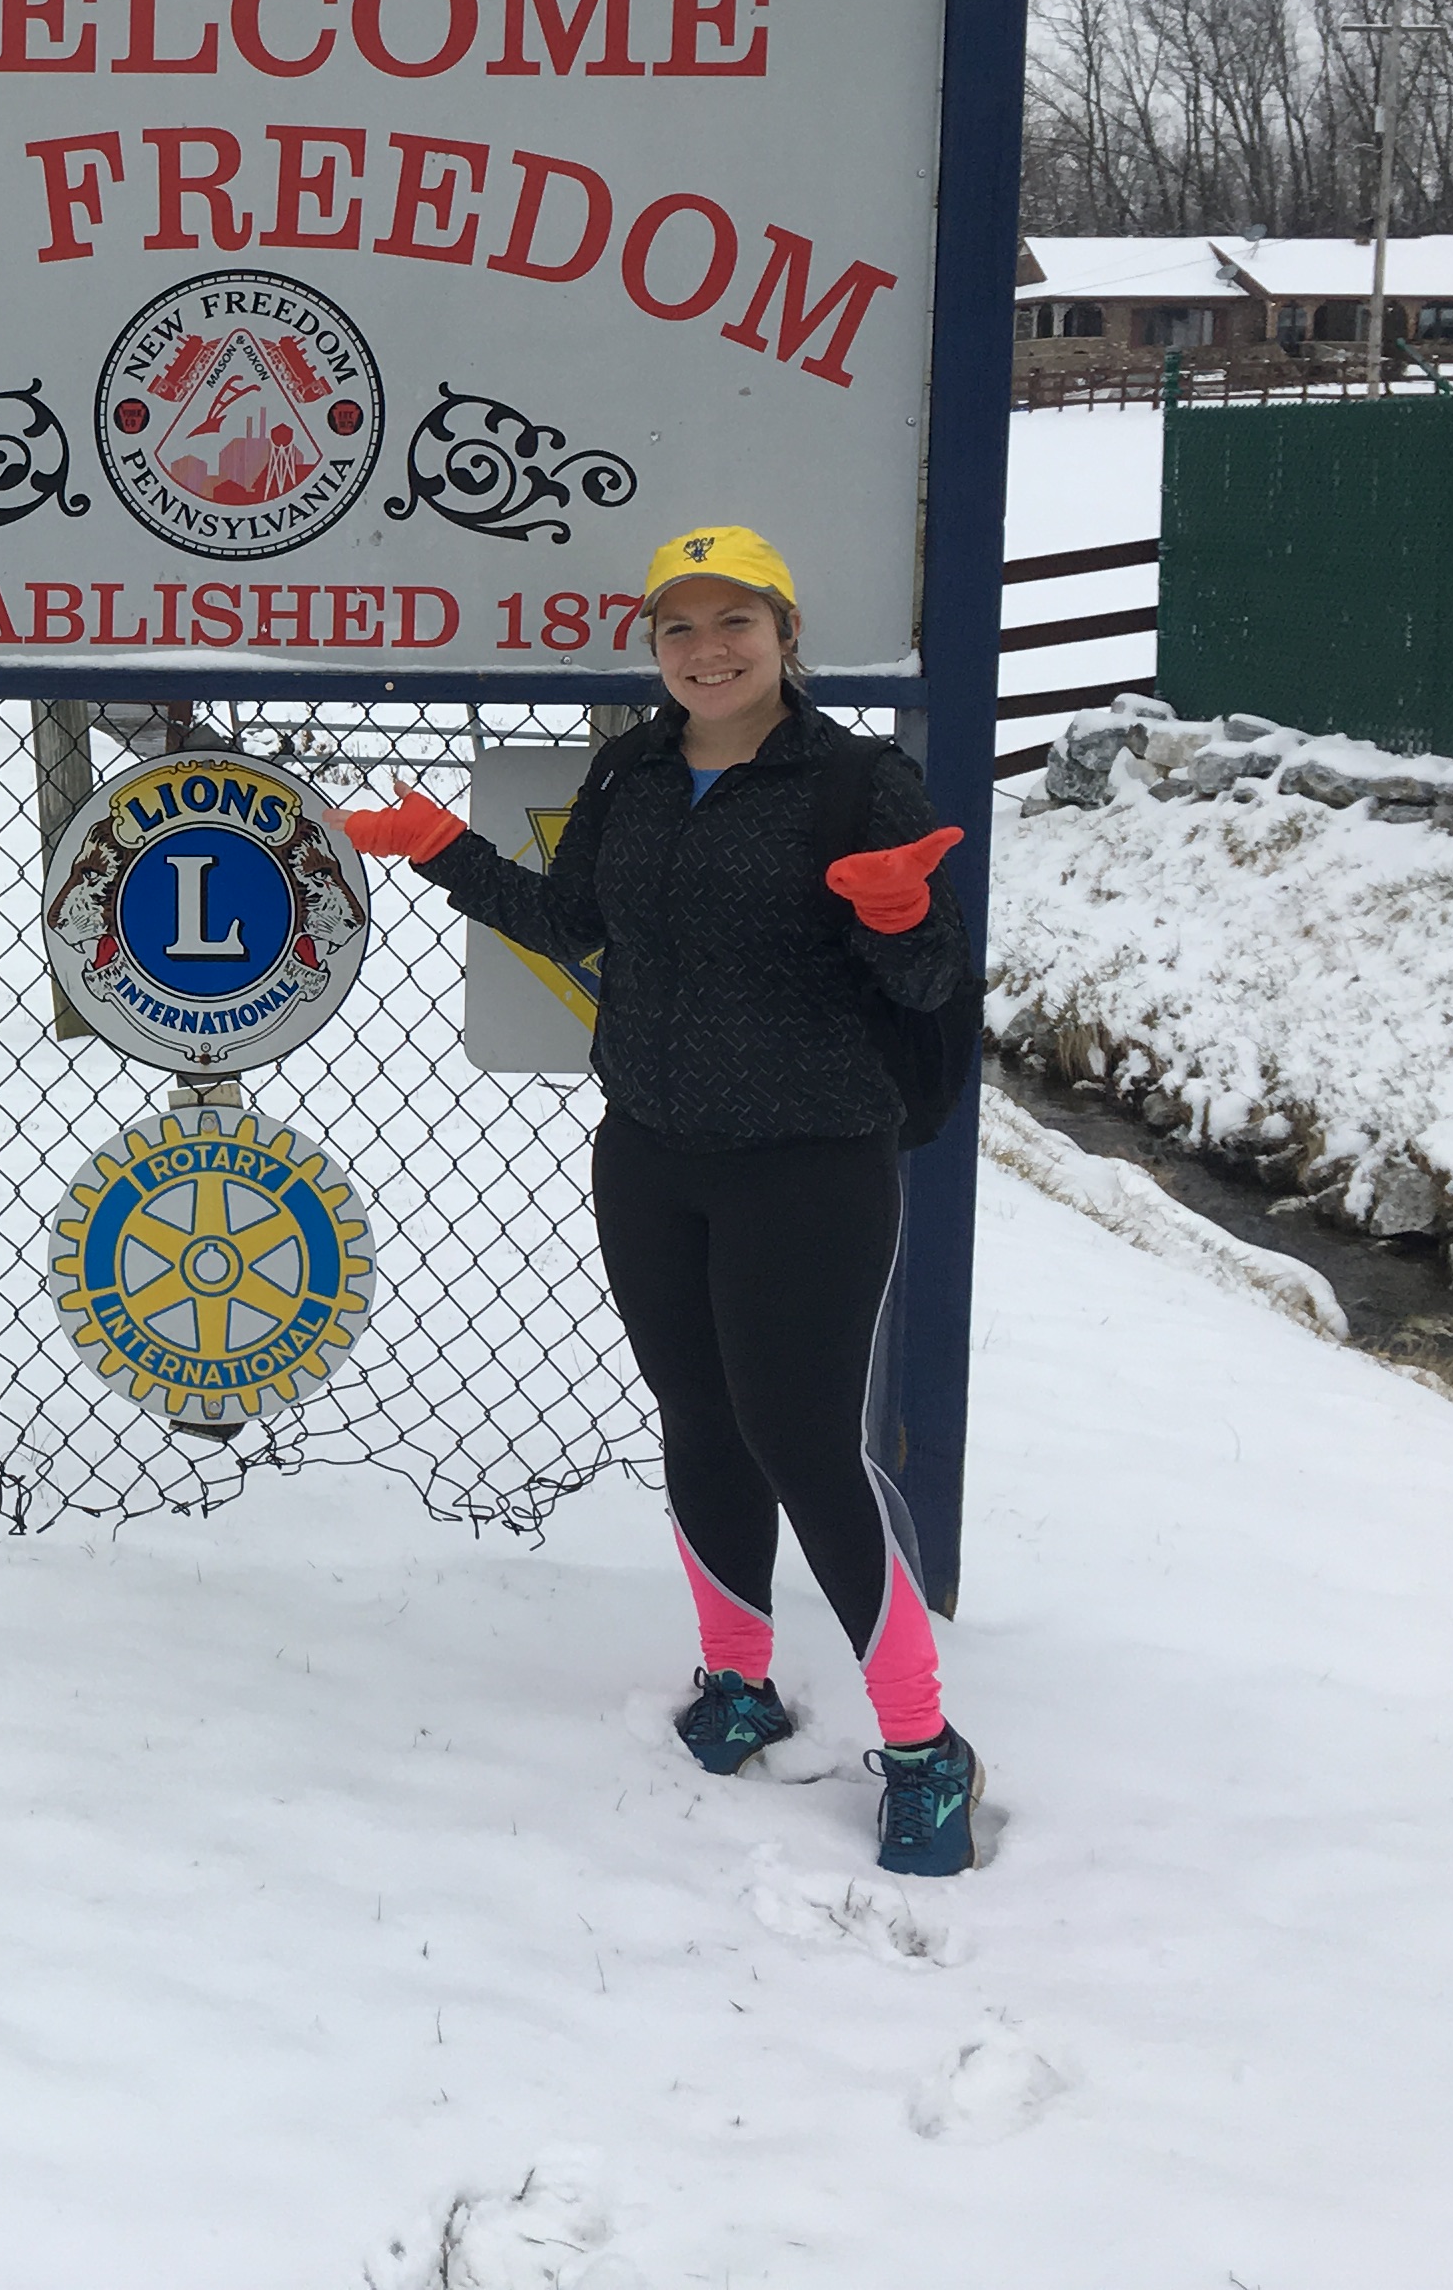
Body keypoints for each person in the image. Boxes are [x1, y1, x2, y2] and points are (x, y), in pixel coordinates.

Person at [341, 527, 985, 1877]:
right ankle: (737, 1677)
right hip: (650, 1150)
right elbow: (574, 921)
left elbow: (930, 983)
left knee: (803, 1439)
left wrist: (891, 917)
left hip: (811, 1159)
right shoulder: (631, 769)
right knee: (697, 1411)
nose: (708, 649)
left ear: (786, 634)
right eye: (679, 627)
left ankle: (923, 1744)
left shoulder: (854, 782)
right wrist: (444, 850)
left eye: (734, 620)